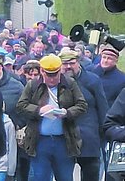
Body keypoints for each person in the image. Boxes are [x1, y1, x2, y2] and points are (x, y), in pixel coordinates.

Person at [16, 54, 87, 181]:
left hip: (64, 141)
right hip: (39, 141)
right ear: (42, 71)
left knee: (65, 177)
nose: (53, 79)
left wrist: (67, 113)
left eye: (55, 74)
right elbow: (21, 106)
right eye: (49, 75)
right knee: (39, 177)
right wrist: (38, 110)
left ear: (60, 70)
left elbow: (82, 105)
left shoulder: (70, 83)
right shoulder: (33, 85)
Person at [59, 50, 108, 180]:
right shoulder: (56, 82)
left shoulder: (93, 80)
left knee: (90, 174)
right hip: (64, 137)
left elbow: (102, 108)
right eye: (65, 63)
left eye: (72, 63)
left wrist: (105, 132)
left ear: (79, 63)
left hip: (89, 137)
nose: (68, 66)